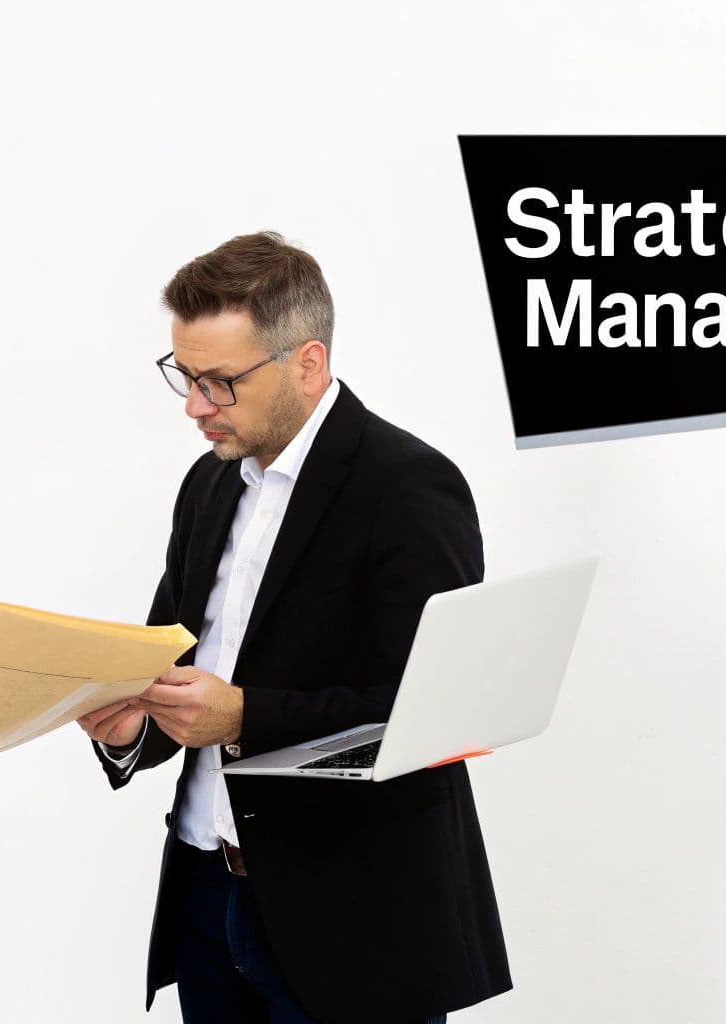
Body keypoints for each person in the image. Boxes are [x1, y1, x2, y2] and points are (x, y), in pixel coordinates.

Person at [78, 232, 511, 1023]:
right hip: (207, 891)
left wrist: (243, 716)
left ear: (307, 364)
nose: (195, 406)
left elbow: (430, 715)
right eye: (184, 375)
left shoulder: (409, 487)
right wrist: (127, 725)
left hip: (353, 922)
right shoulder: (208, 486)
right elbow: (175, 670)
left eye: (219, 382)